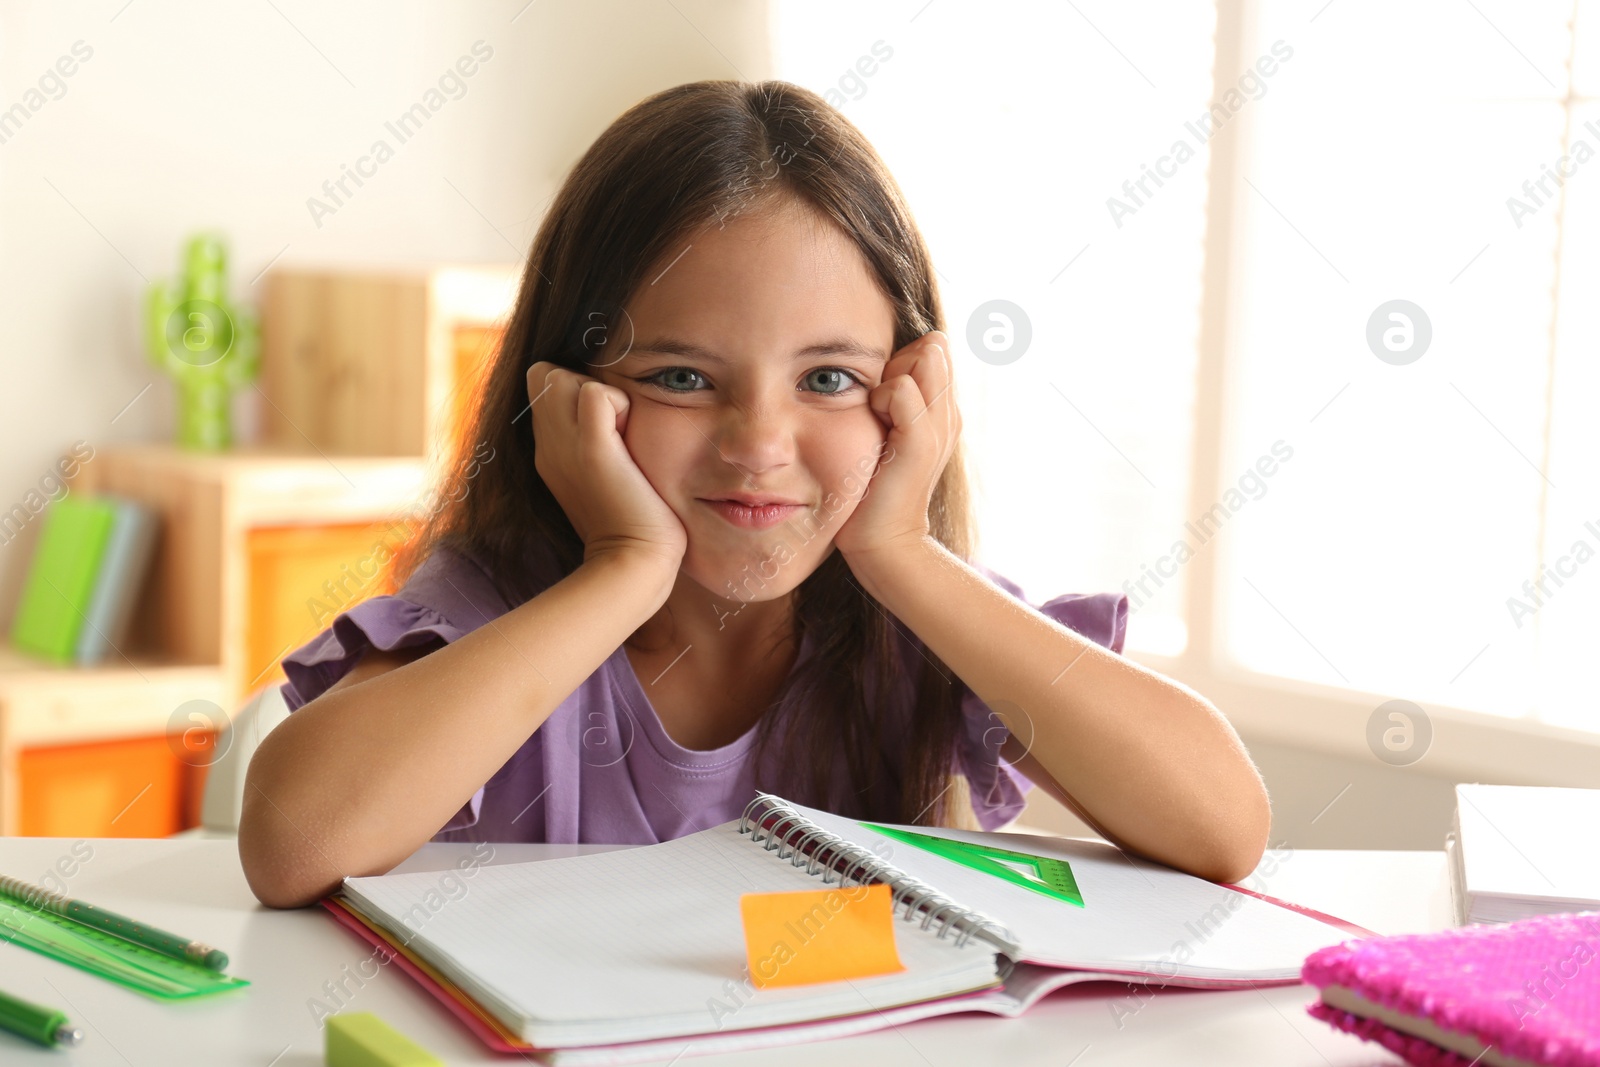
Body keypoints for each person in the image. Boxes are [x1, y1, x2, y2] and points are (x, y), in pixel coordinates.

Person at [239, 79, 1269, 909]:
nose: (761, 444)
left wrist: (902, 554)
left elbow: (1222, 824)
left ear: (908, 400)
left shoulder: (912, 618)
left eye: (828, 379)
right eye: (682, 377)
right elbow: (292, 842)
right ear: (565, 398)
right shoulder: (496, 608)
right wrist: (625, 567)